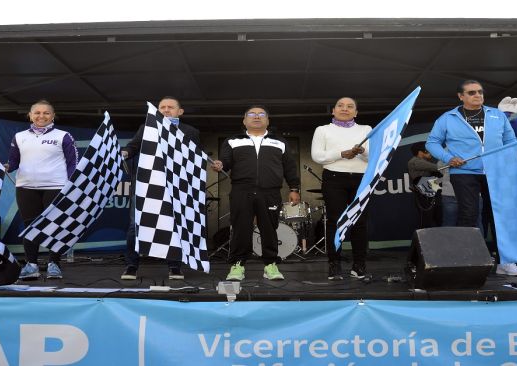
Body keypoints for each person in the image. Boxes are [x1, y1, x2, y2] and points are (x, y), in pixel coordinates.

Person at [425, 80, 517, 276]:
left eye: (480, 92)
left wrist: (506, 159)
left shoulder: (496, 115)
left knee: (500, 216)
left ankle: (505, 262)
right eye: (471, 93)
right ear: (461, 96)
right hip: (464, 172)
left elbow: (510, 141)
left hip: (496, 171)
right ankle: (468, 260)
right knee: (468, 214)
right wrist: (448, 157)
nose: (477, 95)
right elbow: (432, 143)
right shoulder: (448, 118)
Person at [211, 106, 300, 281]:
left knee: (269, 228)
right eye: (251, 114)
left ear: (268, 120)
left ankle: (270, 265)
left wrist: (294, 188)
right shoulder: (232, 141)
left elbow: (289, 167)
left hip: (270, 191)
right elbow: (226, 163)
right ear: (244, 121)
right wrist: (220, 165)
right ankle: (237, 265)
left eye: (261, 114)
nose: (256, 117)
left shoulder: (280, 142)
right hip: (241, 190)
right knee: (240, 228)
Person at [120, 96, 200, 281]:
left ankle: (174, 267)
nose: (165, 110)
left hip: (176, 187)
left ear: (180, 111)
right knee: (135, 226)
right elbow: (132, 147)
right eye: (162, 107)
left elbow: (195, 158)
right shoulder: (146, 128)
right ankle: (131, 266)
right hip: (146, 186)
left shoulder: (190, 131)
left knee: (174, 226)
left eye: (170, 107)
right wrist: (125, 152)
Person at [7, 100, 78, 280]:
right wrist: (6, 167)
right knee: (30, 227)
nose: (41, 116)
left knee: (55, 226)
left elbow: (73, 164)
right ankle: (31, 265)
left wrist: (71, 185)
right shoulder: (19, 136)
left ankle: (54, 263)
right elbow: (13, 161)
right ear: (30, 115)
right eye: (37, 113)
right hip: (26, 187)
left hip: (55, 187)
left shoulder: (64, 136)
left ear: (53, 116)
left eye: (46, 113)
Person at [310, 97, 371, 280]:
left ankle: (359, 265)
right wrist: (341, 154)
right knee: (335, 221)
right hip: (334, 178)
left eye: (350, 106)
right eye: (340, 106)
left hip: (361, 178)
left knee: (360, 223)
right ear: (333, 111)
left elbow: (373, 156)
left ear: (356, 112)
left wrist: (362, 152)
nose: (345, 109)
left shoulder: (366, 130)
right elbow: (317, 156)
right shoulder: (323, 130)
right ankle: (334, 264)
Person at [407, 141, 442, 229]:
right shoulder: (415, 161)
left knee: (435, 217)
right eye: (428, 151)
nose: (431, 153)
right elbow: (438, 168)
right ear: (420, 152)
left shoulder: (422, 162)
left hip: (430, 194)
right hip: (424, 196)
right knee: (426, 219)